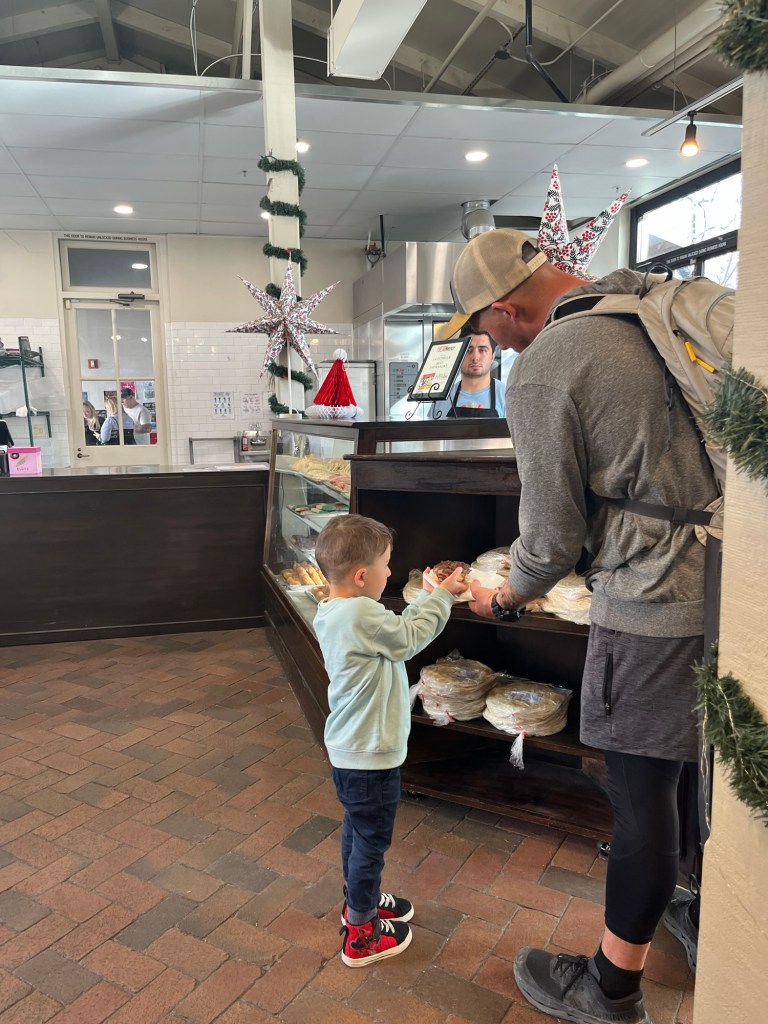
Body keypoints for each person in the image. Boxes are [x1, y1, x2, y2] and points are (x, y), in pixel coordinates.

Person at [440, 228, 716, 1024]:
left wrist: (505, 598)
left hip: (652, 598)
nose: (488, 344)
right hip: (727, 580)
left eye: (481, 328)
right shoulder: (643, 308)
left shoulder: (546, 364)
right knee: (700, 772)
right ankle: (702, 912)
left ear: (503, 308)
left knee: (640, 799)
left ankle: (611, 989)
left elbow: (552, 538)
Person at [313, 514, 467, 967]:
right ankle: (361, 935)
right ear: (363, 576)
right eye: (386, 565)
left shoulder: (337, 609)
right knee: (371, 844)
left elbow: (394, 632)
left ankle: (357, 902)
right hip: (371, 755)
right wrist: (442, 596)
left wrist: (429, 595)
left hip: (350, 751)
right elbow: (408, 638)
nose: (390, 572)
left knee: (358, 831)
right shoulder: (361, 613)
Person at [428, 332, 506, 419]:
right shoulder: (442, 399)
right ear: (459, 355)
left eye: (482, 350)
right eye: (468, 350)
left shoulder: (507, 396)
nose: (475, 358)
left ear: (492, 357)